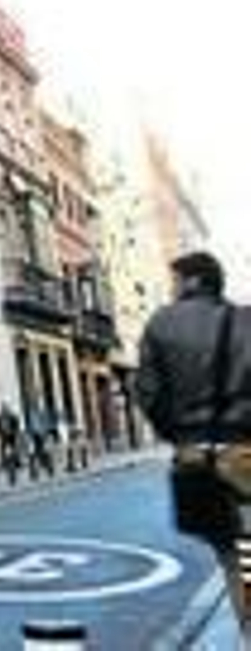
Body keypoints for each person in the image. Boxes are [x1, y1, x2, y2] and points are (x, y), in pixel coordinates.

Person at [136, 251, 251, 633]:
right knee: (246, 552)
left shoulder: (161, 324)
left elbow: (149, 395)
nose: (170, 289)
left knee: (232, 556)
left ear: (193, 280)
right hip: (244, 450)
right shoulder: (246, 321)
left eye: (174, 281)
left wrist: (183, 436)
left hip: (195, 458)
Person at [0, 405, 22, 471]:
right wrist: (0, 434)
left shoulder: (12, 416)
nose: (4, 411)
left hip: (11, 435)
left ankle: (16, 461)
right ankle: (5, 462)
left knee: (14, 448)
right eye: (3, 410)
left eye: (5, 410)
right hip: (4, 435)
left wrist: (14, 431)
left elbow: (16, 424)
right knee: (3, 449)